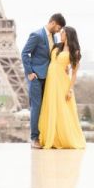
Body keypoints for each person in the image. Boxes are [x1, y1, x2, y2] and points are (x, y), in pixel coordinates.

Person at [21, 13, 66, 148]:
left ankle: (45, 136)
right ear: (52, 23)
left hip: (49, 77)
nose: (59, 30)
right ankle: (34, 138)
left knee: (46, 107)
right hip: (36, 77)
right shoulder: (37, 35)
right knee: (36, 107)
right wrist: (30, 73)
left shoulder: (54, 36)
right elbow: (24, 53)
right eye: (58, 27)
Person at [38, 25, 86, 149]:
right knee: (51, 107)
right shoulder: (57, 46)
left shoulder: (74, 51)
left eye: (63, 33)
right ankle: (52, 137)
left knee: (61, 109)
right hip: (51, 81)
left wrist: (70, 89)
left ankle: (63, 138)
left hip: (61, 82)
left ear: (68, 34)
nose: (60, 35)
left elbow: (74, 73)